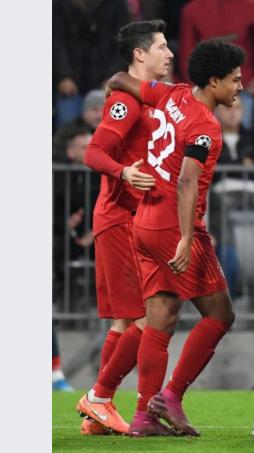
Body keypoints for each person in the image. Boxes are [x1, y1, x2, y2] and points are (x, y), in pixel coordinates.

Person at [103, 39, 245, 437]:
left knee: (161, 315)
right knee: (221, 314)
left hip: (144, 219)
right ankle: (170, 396)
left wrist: (113, 88)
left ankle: (143, 416)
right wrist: (186, 238)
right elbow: (186, 180)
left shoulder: (171, 93)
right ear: (214, 81)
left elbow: (119, 79)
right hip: (172, 225)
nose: (240, 86)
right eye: (234, 80)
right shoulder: (206, 127)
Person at [75, 20, 171, 436]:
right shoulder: (125, 102)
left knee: (122, 320)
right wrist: (123, 174)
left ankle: (98, 414)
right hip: (118, 217)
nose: (169, 54)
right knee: (145, 319)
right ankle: (97, 397)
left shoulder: (147, 99)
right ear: (139, 54)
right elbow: (94, 151)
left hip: (136, 219)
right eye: (162, 47)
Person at [179, 0, 254, 129]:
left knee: (243, 140)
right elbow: (187, 54)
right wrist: (195, 90)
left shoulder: (250, 5)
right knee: (208, 139)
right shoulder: (191, 9)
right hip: (208, 90)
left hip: (243, 86)